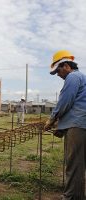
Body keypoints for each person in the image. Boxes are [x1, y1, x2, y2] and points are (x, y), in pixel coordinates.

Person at [44, 50, 86, 199]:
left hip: (78, 125)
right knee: (79, 163)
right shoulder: (81, 78)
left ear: (66, 66)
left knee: (74, 163)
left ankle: (72, 197)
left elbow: (65, 102)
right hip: (79, 124)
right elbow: (75, 105)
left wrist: (52, 119)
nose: (58, 74)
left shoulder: (73, 77)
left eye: (58, 70)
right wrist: (61, 128)